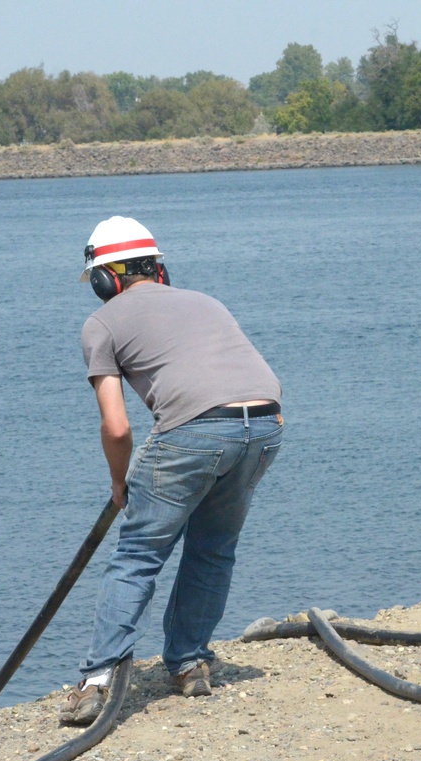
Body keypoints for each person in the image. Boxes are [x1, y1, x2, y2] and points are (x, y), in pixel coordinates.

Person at [59, 216, 283, 725]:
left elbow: (117, 428)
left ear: (103, 279)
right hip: (265, 425)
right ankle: (190, 663)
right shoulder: (207, 302)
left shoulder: (102, 323)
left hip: (195, 431)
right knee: (213, 549)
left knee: (138, 555)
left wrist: (120, 483)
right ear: (159, 268)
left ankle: (96, 682)